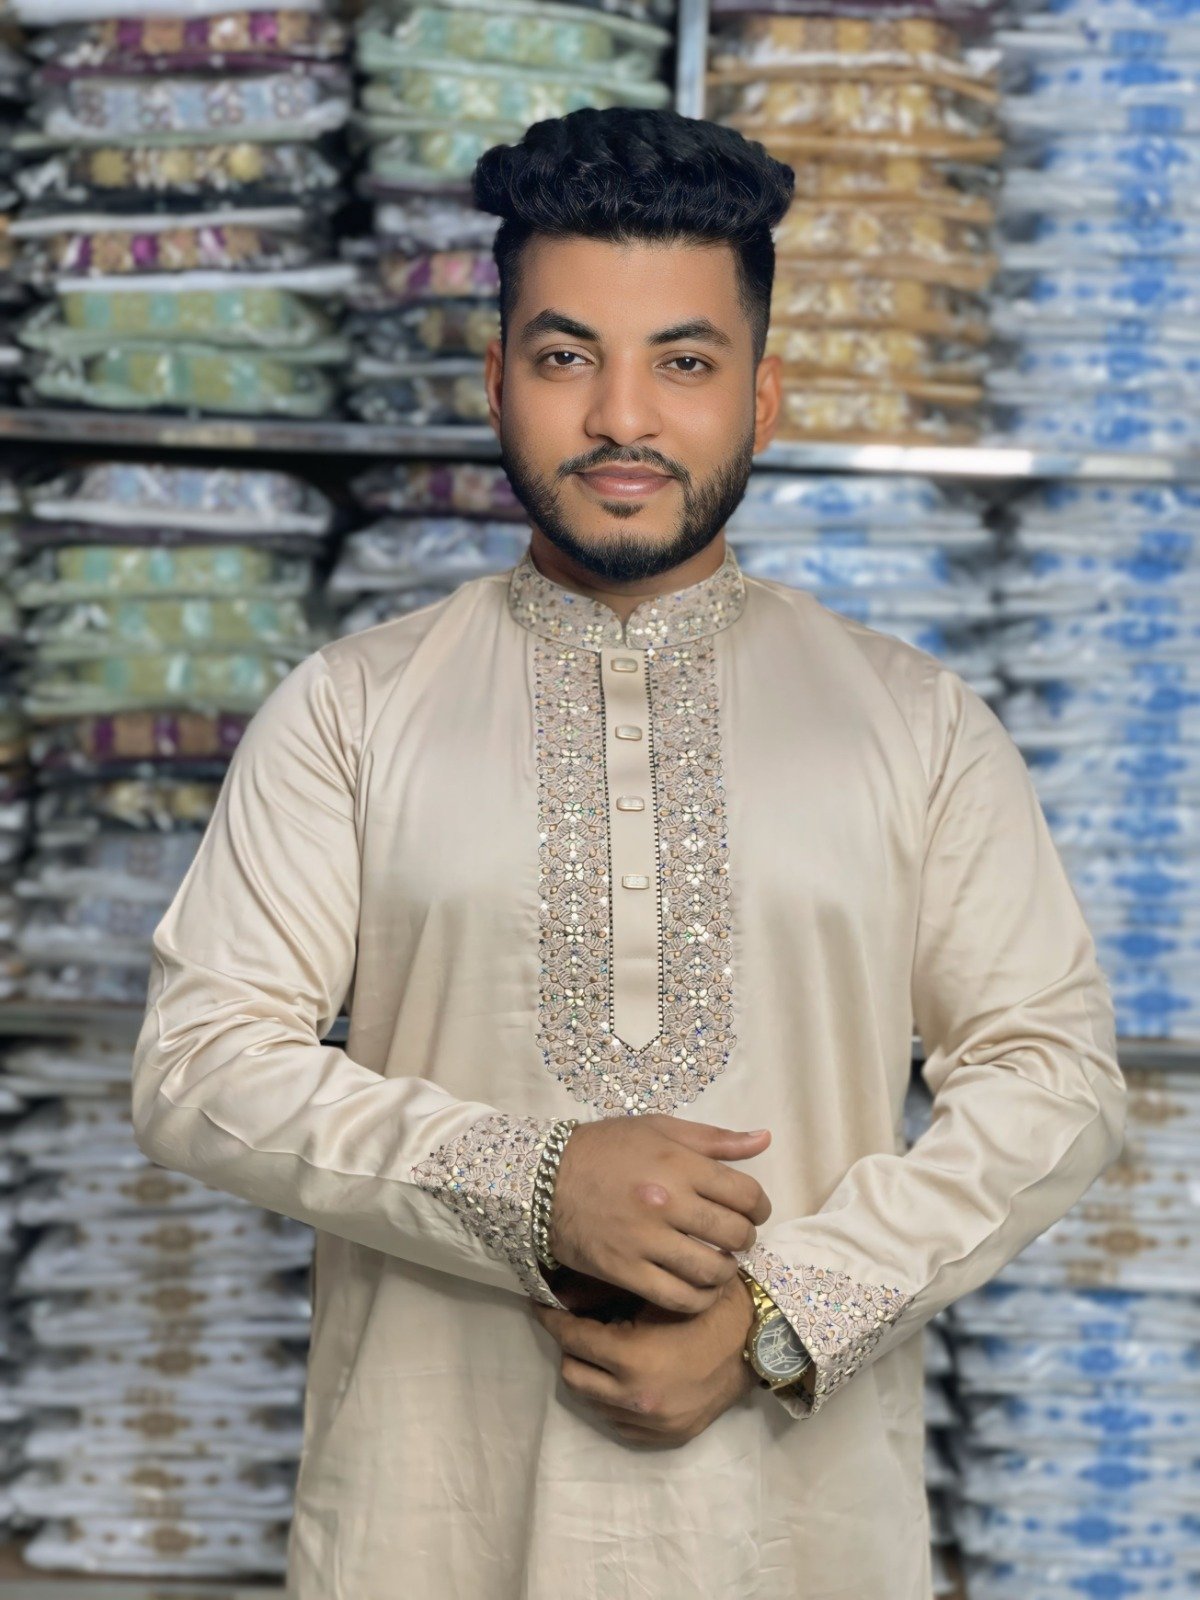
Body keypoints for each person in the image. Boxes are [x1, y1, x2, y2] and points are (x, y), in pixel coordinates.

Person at [130, 107, 1127, 1600]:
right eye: (564, 356)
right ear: (496, 380)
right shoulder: (353, 708)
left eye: (684, 362)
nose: (621, 418)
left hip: (793, 1539)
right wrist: (536, 1186)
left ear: (763, 393)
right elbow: (200, 1061)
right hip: (434, 1524)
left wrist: (782, 1317)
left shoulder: (915, 723)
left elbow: (1055, 1076)